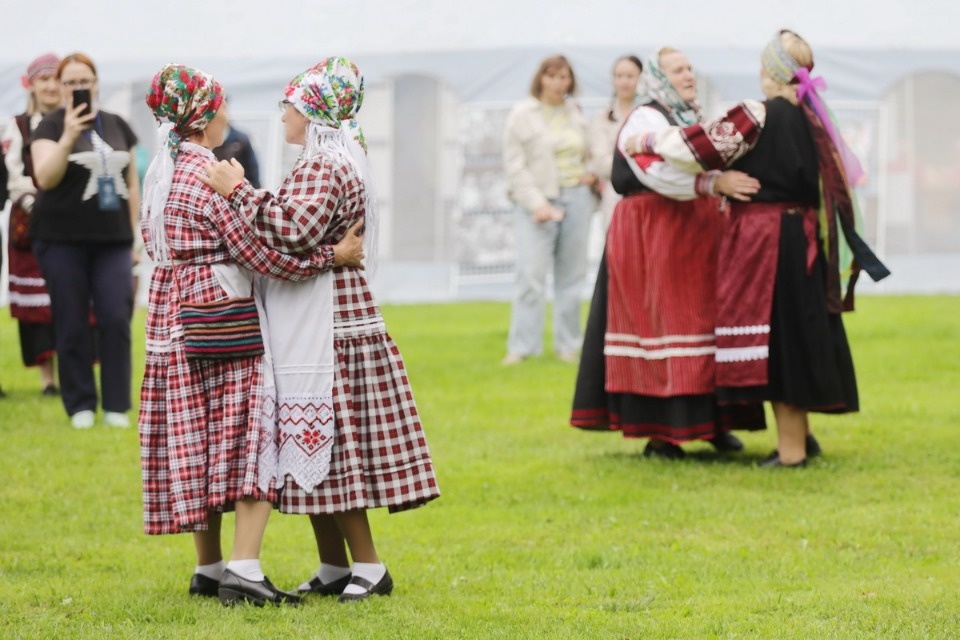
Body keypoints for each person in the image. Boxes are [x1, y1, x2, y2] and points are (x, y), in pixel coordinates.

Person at [200, 56, 440, 603]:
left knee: (334, 446)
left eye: (289, 105)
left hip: (329, 324)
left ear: (310, 111)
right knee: (318, 450)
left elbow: (295, 229)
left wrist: (238, 190)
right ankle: (335, 564)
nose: (282, 114)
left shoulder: (325, 166)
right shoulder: (328, 159)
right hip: (323, 314)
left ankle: (372, 567)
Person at [139, 62, 364, 606]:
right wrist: (331, 255)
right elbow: (262, 254)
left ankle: (209, 568)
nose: (227, 117)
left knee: (196, 437)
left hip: (170, 316)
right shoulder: (207, 176)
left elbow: (153, 245)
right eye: (221, 108)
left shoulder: (162, 174)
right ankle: (244, 567)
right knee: (244, 436)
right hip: (222, 312)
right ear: (202, 118)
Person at [634, 30, 890, 466]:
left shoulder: (758, 114)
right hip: (803, 235)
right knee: (797, 330)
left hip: (765, 241)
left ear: (769, 72)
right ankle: (802, 438)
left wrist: (646, 139)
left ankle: (791, 452)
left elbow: (697, 149)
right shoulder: (815, 118)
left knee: (778, 338)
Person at [570, 47, 765, 459]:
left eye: (691, 67)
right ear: (659, 79)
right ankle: (663, 433)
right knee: (661, 322)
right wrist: (714, 185)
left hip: (691, 230)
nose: (689, 75)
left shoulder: (688, 116)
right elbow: (654, 172)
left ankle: (711, 424)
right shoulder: (644, 117)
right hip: (653, 230)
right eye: (678, 70)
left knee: (704, 321)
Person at [29, 52, 138, 429]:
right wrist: (69, 136)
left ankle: (115, 404)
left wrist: (136, 233)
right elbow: (46, 177)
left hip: (114, 239)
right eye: (71, 82)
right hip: (61, 239)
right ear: (60, 88)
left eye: (84, 81)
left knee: (115, 316)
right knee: (71, 318)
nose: (78, 88)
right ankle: (80, 405)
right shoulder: (48, 126)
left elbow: (132, 183)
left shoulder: (117, 124)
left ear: (96, 84)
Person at [501, 54, 598, 365]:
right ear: (540, 78)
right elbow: (515, 167)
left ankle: (568, 346)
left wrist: (591, 173)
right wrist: (537, 204)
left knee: (571, 277)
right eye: (553, 76)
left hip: (576, 200)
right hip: (535, 204)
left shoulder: (576, 113)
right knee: (531, 275)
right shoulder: (522, 114)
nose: (559, 83)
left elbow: (592, 152)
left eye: (564, 77)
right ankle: (522, 347)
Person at [2, 53, 62, 398]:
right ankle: (47, 379)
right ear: (32, 85)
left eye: (56, 78)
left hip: (69, 219)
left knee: (70, 297)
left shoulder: (74, 121)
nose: (51, 85)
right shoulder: (19, 125)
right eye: (44, 79)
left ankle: (74, 371)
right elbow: (14, 173)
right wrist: (36, 205)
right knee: (36, 303)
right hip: (31, 220)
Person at [589, 55, 643, 230]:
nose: (624, 82)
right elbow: (601, 163)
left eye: (630, 76)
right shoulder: (603, 118)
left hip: (649, 196)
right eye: (619, 76)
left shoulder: (649, 115)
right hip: (614, 196)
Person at [212, 98, 261, 188]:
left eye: (223, 108)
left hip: (239, 191)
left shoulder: (241, 139)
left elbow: (253, 169)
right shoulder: (207, 140)